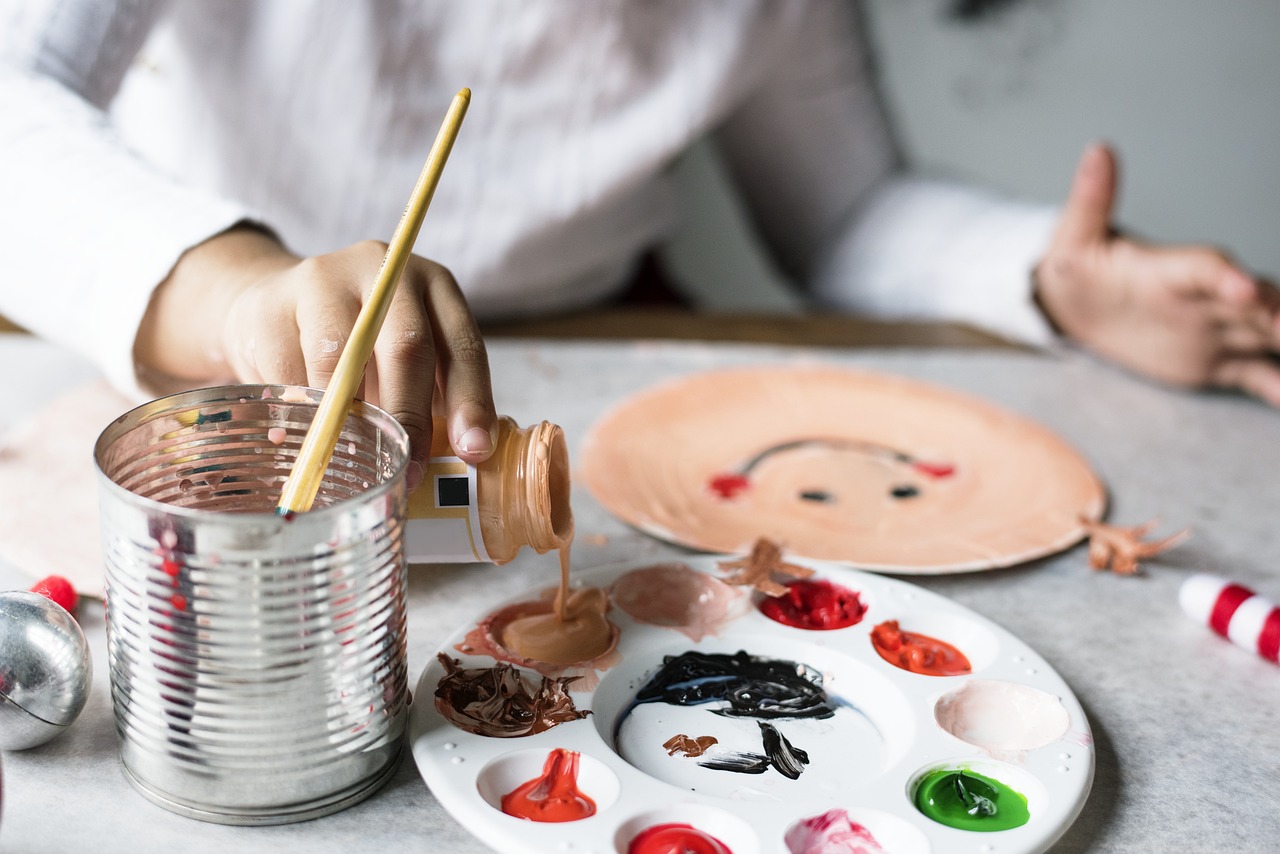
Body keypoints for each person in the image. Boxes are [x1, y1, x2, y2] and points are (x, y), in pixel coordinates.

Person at [2, 0, 1277, 488]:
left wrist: (1046, 286)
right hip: (223, 341)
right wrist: (242, 292)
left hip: (594, 348)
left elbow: (841, 215)